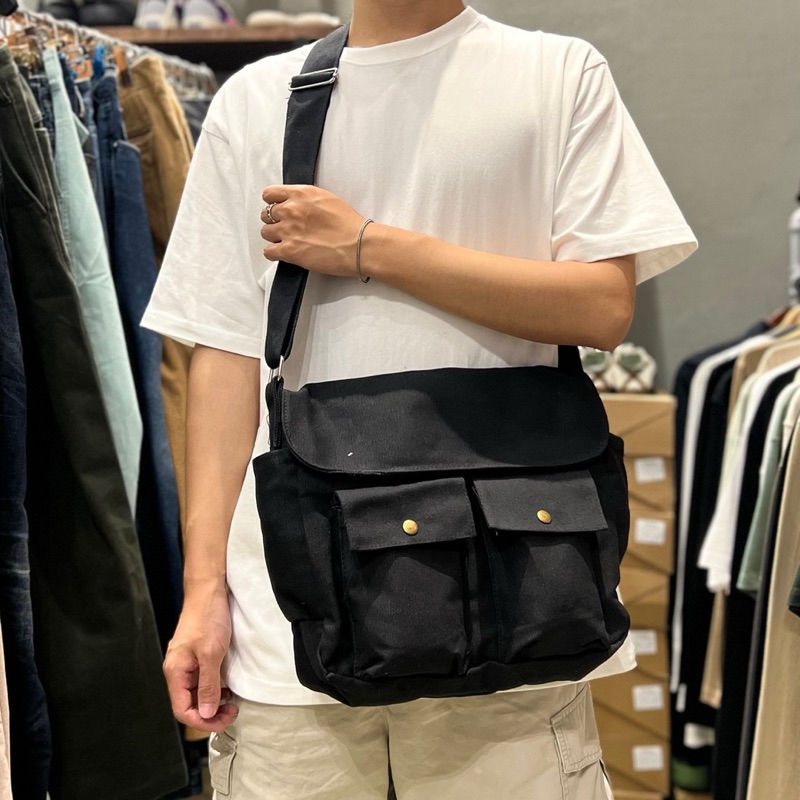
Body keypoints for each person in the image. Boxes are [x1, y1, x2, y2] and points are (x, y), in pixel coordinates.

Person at [142, 2, 697, 797]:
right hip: (295, 619)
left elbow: (602, 307)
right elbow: (225, 358)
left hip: (514, 610)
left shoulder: (557, 74)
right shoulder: (259, 98)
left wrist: (368, 245)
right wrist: (202, 595)